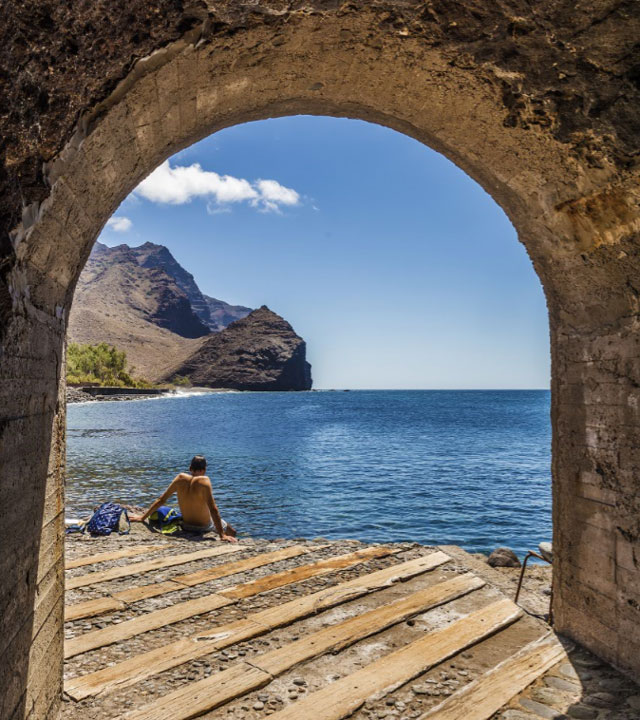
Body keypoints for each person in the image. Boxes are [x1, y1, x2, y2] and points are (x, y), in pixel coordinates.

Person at [129, 455, 238, 542]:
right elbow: (213, 509)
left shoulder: (180, 478)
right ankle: (233, 539)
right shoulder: (204, 481)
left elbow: (161, 500)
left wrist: (142, 517)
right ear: (204, 470)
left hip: (186, 526)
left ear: (190, 468)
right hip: (204, 527)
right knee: (231, 529)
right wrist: (222, 535)